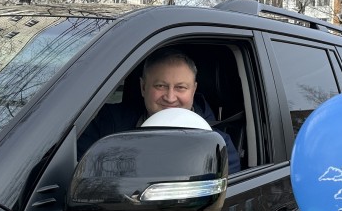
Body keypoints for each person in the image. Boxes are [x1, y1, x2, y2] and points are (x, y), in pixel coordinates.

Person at [78, 49, 241, 174]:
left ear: (193, 90)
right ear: (143, 87)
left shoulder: (218, 144)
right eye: (160, 86)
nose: (170, 97)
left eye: (180, 88)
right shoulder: (107, 127)